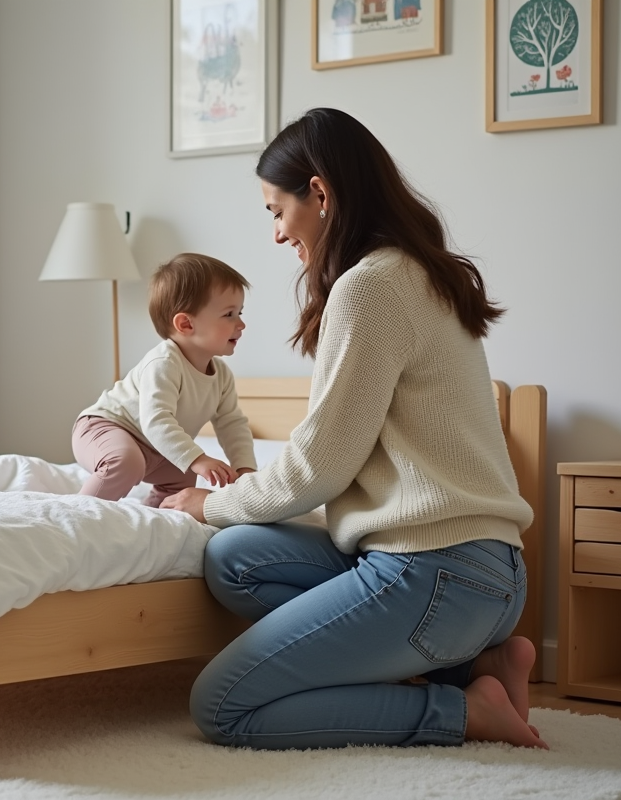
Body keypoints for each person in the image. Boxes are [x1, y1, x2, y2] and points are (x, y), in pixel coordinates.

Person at [160, 108, 548, 750]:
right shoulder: (421, 272)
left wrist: (213, 500)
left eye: (276, 212)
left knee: (222, 706)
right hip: (492, 574)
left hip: (435, 573)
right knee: (233, 557)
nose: (279, 235)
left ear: (320, 193)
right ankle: (480, 667)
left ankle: (462, 712)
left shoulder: (369, 286)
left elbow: (319, 466)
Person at [72, 253, 256, 508]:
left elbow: (232, 424)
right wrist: (199, 458)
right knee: (127, 461)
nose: (241, 323)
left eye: (240, 312)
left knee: (184, 476)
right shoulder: (164, 363)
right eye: (229, 314)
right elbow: (156, 420)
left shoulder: (221, 376)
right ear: (185, 324)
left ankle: (154, 516)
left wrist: (245, 468)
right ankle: (77, 513)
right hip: (104, 427)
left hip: (155, 448)